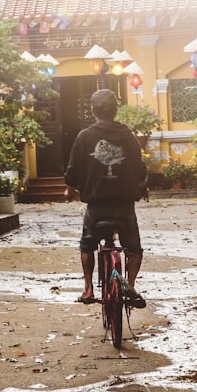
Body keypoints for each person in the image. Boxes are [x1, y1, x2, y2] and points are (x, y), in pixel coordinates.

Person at [63, 89, 148, 307]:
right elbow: (140, 169)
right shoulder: (128, 136)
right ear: (115, 110)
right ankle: (130, 285)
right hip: (125, 205)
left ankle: (88, 289)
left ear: (93, 111)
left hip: (96, 206)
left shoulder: (84, 137)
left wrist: (70, 189)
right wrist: (140, 185)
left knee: (87, 246)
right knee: (134, 248)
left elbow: (72, 171)